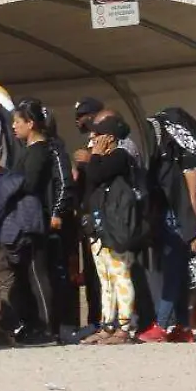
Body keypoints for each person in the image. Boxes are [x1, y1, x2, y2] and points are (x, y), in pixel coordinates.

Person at [0, 99, 69, 346]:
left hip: (34, 219)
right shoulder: (27, 151)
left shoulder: (41, 151)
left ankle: (47, 327)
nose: (14, 126)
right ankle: (32, 325)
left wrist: (9, 182)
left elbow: (29, 183)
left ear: (31, 124)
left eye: (18, 122)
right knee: (24, 276)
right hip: (22, 219)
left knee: (36, 273)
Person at [138, 107, 196, 343]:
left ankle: (162, 322)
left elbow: (193, 195)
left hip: (182, 223)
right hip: (171, 222)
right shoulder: (168, 155)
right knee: (177, 272)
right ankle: (182, 325)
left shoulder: (188, 155)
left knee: (174, 271)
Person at [77, 112, 141, 345]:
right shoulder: (103, 157)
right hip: (99, 228)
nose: (92, 139)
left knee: (120, 275)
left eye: (97, 135)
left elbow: (96, 174)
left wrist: (93, 157)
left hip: (116, 227)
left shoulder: (120, 156)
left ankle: (124, 327)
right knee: (104, 279)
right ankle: (107, 325)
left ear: (110, 137)